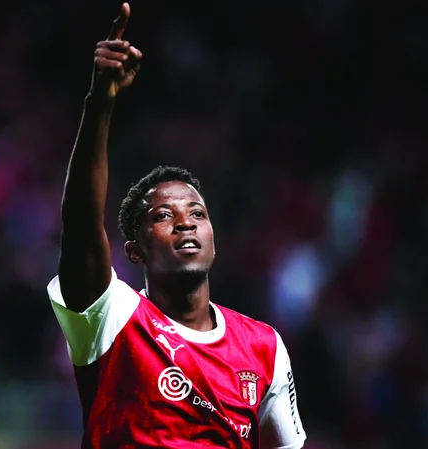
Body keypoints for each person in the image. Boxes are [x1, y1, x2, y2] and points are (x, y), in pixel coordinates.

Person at [47, 3, 306, 448]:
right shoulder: (113, 319)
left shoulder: (263, 347)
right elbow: (82, 226)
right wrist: (100, 104)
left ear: (213, 242)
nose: (186, 223)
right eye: (164, 216)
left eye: (198, 214)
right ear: (135, 250)